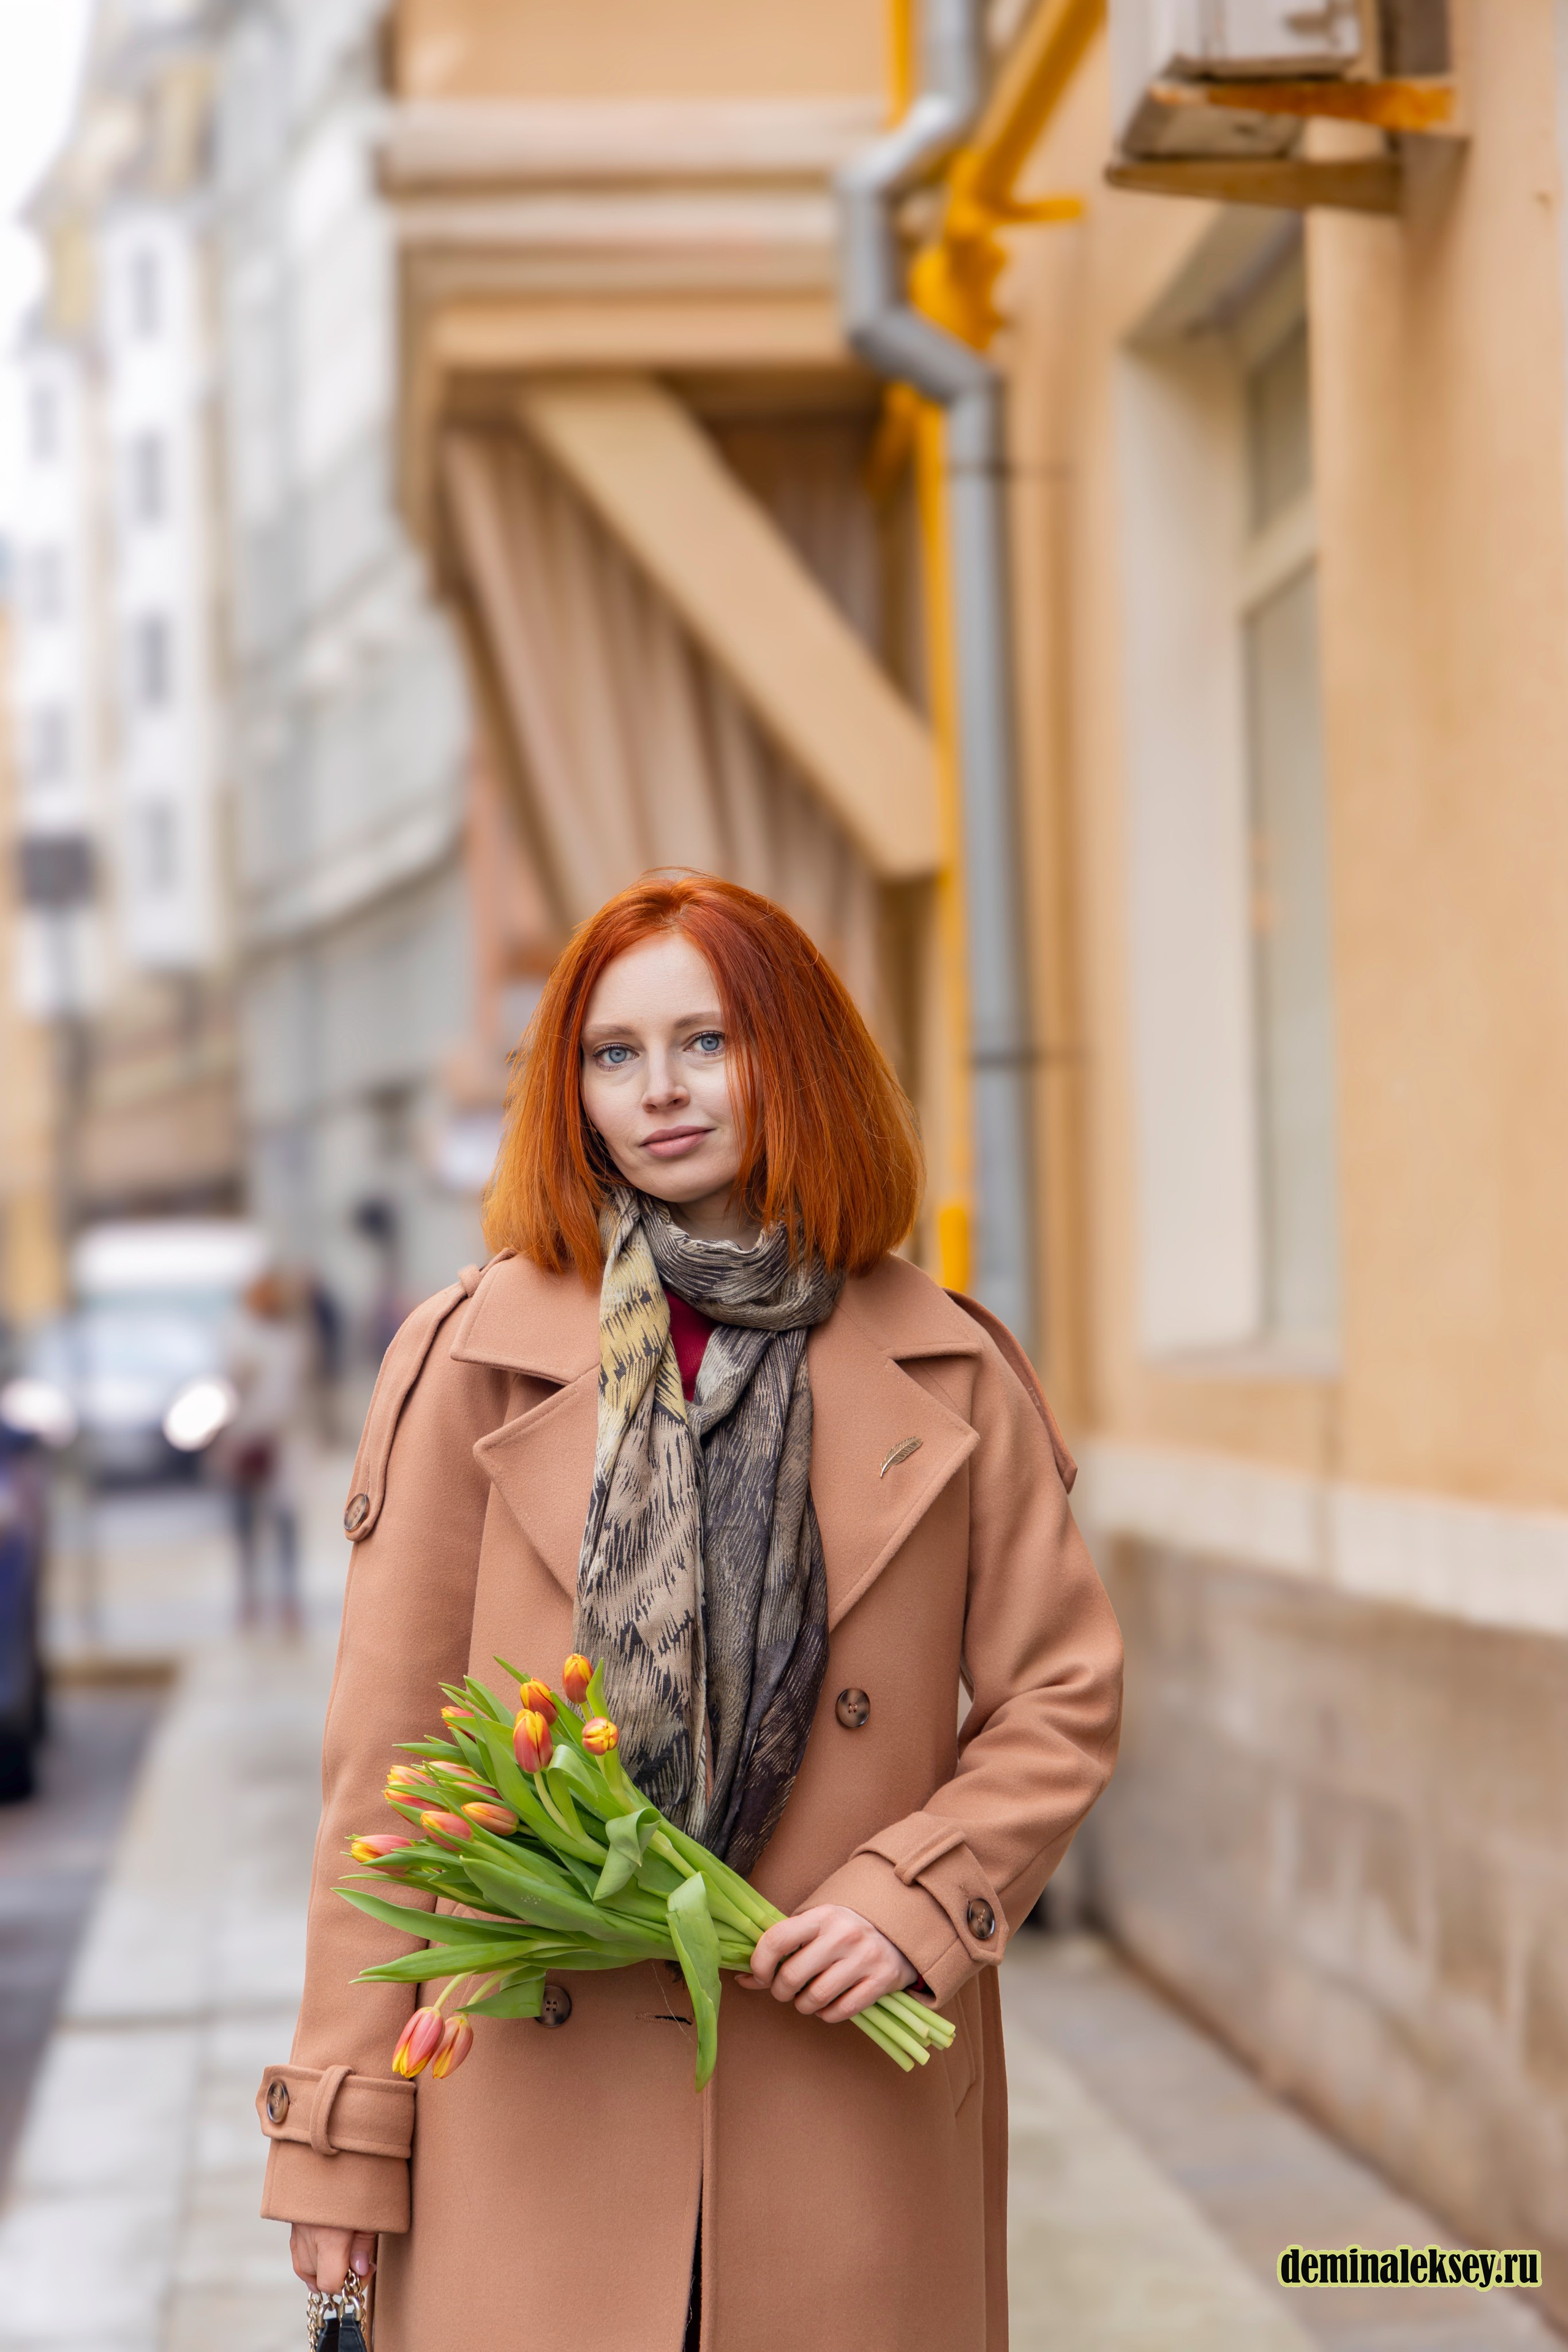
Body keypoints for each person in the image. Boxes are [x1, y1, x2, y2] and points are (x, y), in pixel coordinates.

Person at [257, 873, 1122, 2350]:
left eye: (705, 1042)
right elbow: (387, 1773)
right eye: (611, 1053)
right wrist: (341, 2129)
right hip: (528, 2102)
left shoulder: (950, 1364)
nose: (657, 1091)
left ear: (789, 1056)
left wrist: (911, 1898)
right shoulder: (469, 1357)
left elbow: (1060, 1693)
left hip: (842, 2086)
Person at [219, 1272, 311, 1630]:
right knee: (244, 1524)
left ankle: (288, 1599)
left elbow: (304, 1385)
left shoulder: (293, 1335)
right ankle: (249, 1598)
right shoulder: (238, 1333)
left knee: (286, 1523)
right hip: (244, 1438)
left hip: (284, 1440)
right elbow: (229, 1383)